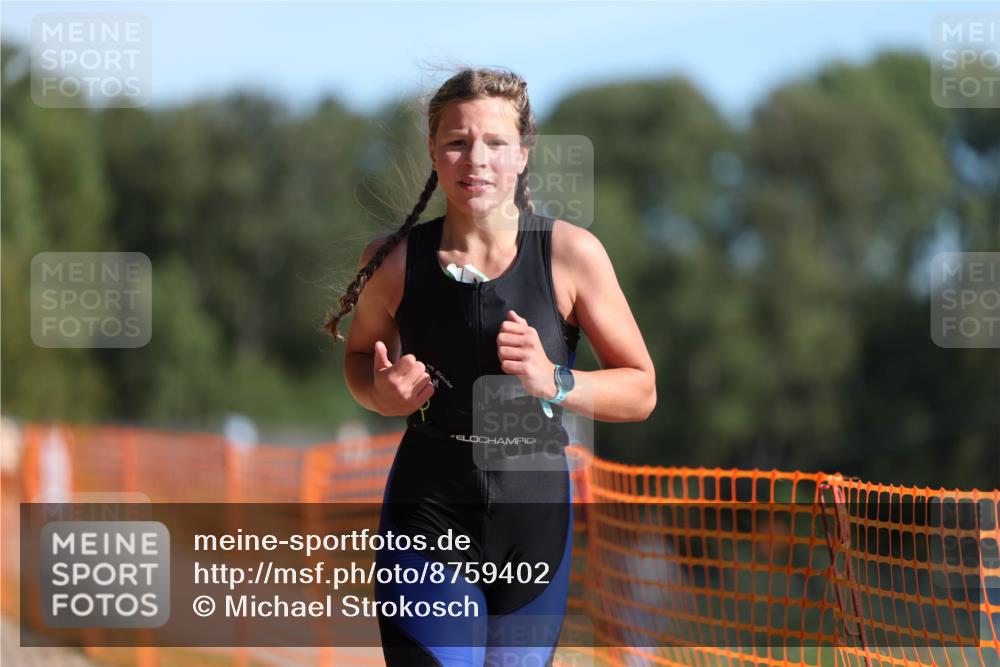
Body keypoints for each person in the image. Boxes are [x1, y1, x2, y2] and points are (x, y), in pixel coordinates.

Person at [325, 67, 655, 667]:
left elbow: (640, 391)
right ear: (432, 149)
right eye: (456, 141)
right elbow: (357, 360)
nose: (475, 159)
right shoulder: (395, 260)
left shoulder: (572, 255)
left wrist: (553, 378)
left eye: (496, 143)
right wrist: (381, 394)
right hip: (428, 512)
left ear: (523, 155)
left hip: (532, 522)